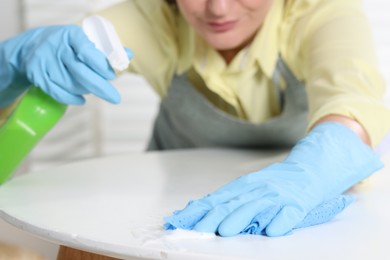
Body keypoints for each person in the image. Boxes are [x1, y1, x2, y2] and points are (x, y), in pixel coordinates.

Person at [1, 0, 389, 241]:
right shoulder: (152, 18)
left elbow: (353, 97)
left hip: (286, 213)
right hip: (166, 216)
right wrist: (11, 68)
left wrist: (312, 172)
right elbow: (73, 54)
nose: (219, 8)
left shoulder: (321, 12)